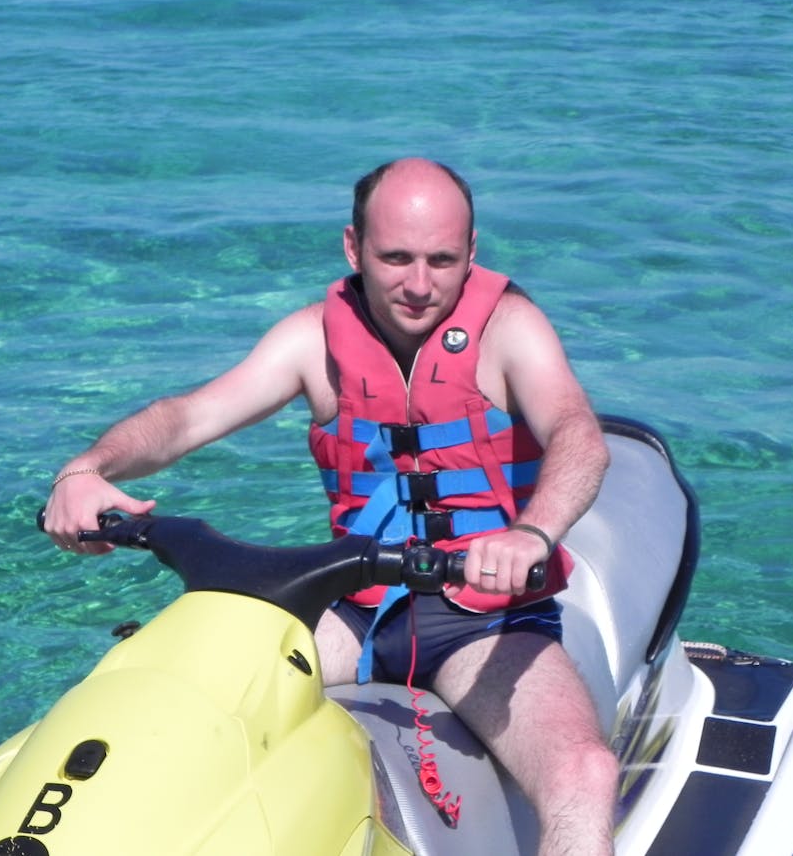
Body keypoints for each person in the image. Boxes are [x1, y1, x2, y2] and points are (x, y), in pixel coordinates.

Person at [42, 157, 618, 856]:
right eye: (395, 258)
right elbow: (187, 418)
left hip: (485, 621)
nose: (419, 285)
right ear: (353, 247)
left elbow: (578, 435)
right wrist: (86, 469)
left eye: (441, 260)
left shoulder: (510, 328)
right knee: (176, 700)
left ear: (471, 251)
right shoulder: (313, 340)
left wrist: (531, 533)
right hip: (354, 608)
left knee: (584, 772)